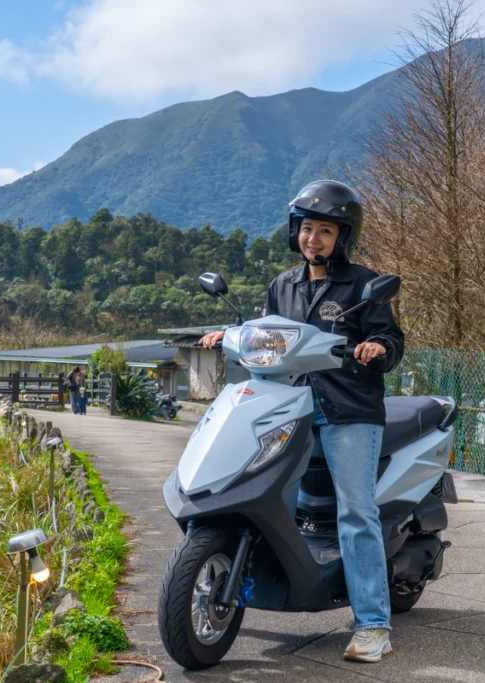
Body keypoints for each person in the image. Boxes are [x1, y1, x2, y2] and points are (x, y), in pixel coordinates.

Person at [200, 179, 404, 663]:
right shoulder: (282, 286)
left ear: (342, 238)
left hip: (347, 409)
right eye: (307, 228)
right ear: (296, 232)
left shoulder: (362, 285)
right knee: (255, 490)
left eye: (326, 231)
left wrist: (377, 348)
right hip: (288, 406)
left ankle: (374, 624)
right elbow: (264, 336)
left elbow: (392, 341)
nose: (314, 239)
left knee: (356, 512)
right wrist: (228, 334)